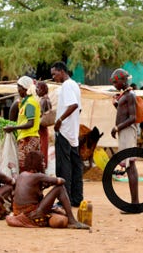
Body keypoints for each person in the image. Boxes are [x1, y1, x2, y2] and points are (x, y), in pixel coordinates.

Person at [6, 151, 89, 229]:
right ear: (37, 163)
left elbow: (16, 179)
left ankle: (68, 219)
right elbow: (61, 181)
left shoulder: (22, 175)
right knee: (60, 188)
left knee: (58, 215)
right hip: (32, 214)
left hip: (18, 212)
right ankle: (72, 221)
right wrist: (49, 182)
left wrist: (13, 168)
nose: (44, 164)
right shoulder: (38, 176)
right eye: (42, 161)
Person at [51, 61, 83, 207]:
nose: (53, 77)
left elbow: (74, 105)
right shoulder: (75, 85)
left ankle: (65, 200)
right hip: (73, 132)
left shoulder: (67, 85)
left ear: (62, 71)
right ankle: (76, 198)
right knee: (75, 166)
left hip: (65, 132)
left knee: (63, 167)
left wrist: (60, 120)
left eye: (54, 73)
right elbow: (79, 109)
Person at [110, 68, 139, 206]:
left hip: (127, 132)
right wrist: (117, 104)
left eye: (116, 82)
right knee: (129, 166)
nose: (114, 85)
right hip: (124, 132)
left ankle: (135, 203)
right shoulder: (125, 95)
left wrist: (117, 127)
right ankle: (134, 202)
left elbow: (133, 118)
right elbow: (125, 114)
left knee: (130, 165)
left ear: (123, 80)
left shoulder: (130, 95)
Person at [3, 76, 41, 173]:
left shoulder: (30, 103)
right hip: (25, 137)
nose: (18, 90)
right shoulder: (25, 102)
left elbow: (30, 123)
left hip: (28, 138)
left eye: (18, 87)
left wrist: (13, 128)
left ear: (24, 88)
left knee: (26, 166)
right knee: (29, 166)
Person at [36, 81, 52, 169]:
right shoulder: (43, 99)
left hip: (41, 128)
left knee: (42, 149)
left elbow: (45, 113)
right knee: (42, 148)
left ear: (42, 89)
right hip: (40, 128)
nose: (36, 91)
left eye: (37, 89)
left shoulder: (45, 100)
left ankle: (42, 169)